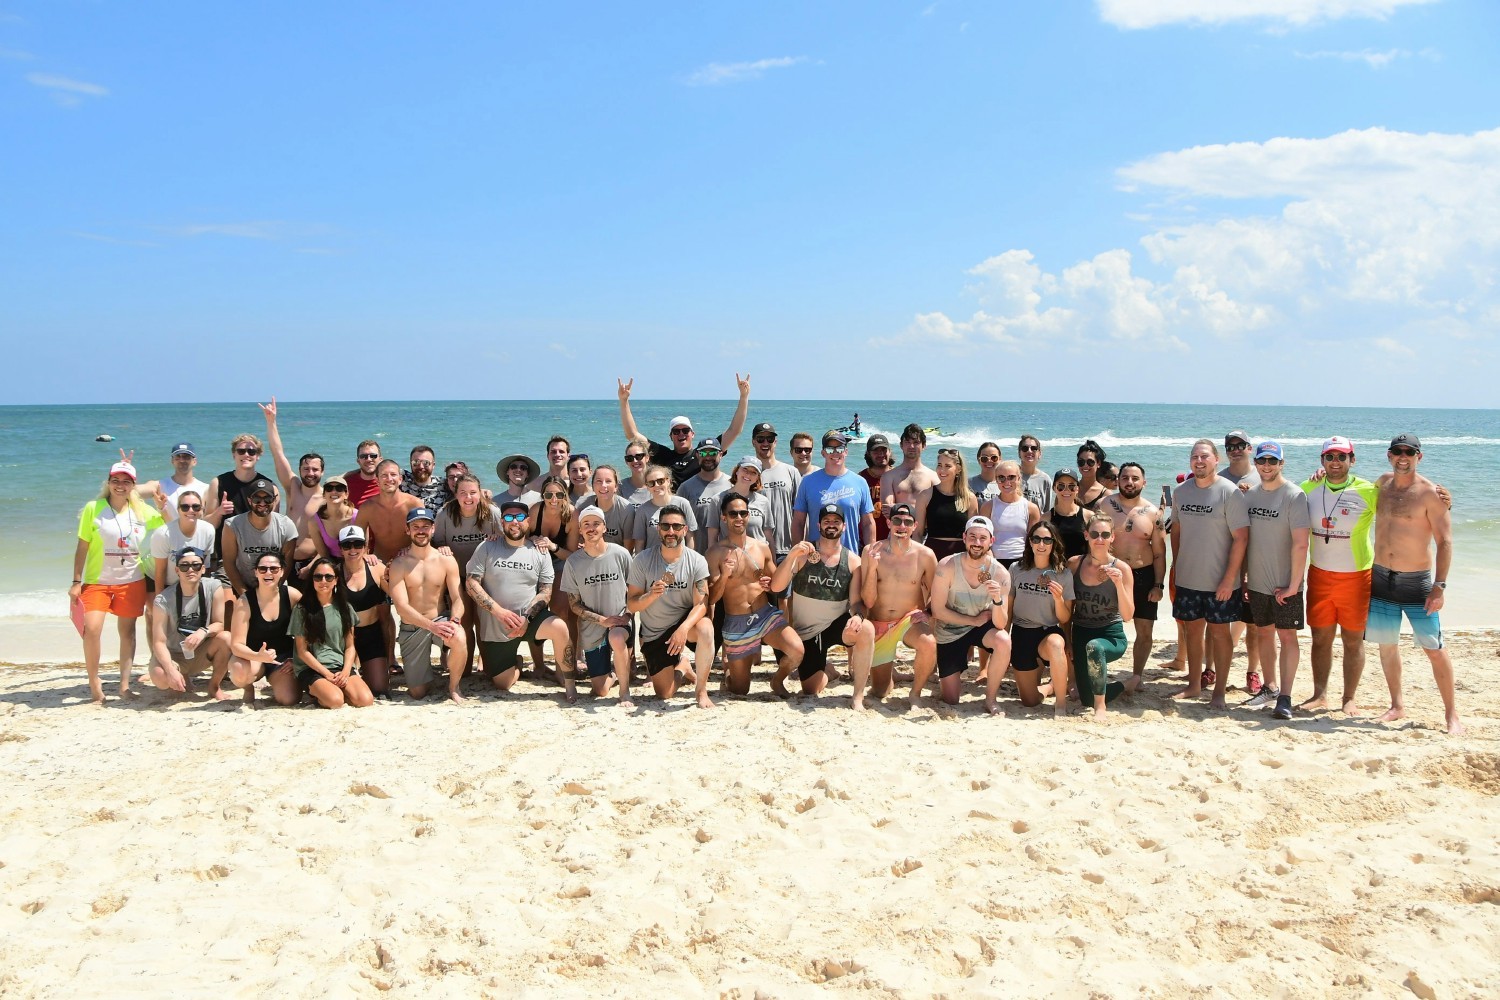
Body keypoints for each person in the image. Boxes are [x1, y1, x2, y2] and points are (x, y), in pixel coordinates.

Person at [1369, 435, 1462, 734]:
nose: (1403, 456)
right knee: (1387, 645)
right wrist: (1320, 474)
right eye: (1397, 451)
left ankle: (1452, 715)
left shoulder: (1430, 493)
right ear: (1389, 455)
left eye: (1409, 452)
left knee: (1434, 648)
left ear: (1419, 456)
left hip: (1417, 582)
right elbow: (1346, 488)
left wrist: (1440, 586)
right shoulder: (1381, 484)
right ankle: (1396, 705)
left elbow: (1445, 542)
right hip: (1381, 577)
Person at [1297, 435, 1379, 714]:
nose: (1335, 462)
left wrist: (1443, 501)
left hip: (1356, 577)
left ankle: (1349, 698)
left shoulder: (1369, 491)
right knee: (1320, 638)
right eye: (1329, 457)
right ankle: (1320, 694)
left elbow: (1405, 509)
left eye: (1341, 457)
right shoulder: (1308, 488)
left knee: (1353, 640)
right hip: (1319, 574)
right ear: (1322, 461)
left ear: (1351, 460)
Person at [467, 499, 575, 700]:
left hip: (529, 620)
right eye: (508, 517)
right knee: (503, 684)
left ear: (528, 521)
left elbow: (545, 592)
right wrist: (498, 612)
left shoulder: (539, 551)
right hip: (497, 627)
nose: (514, 522)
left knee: (560, 627)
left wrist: (527, 619)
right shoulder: (487, 547)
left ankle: (568, 683)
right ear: (502, 522)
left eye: (519, 517)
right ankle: (516, 662)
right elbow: (471, 584)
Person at [1169, 439, 1249, 710]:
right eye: (1195, 457)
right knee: (1192, 632)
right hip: (1188, 577)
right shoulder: (1181, 492)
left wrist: (1230, 578)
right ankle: (1193, 684)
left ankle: (1219, 693)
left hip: (1221, 582)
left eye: (1205, 456)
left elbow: (1241, 538)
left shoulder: (1230, 492)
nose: (1199, 461)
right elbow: (1176, 532)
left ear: (1217, 460)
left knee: (1220, 634)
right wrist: (1175, 567)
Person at [770, 504, 875, 705]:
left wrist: (858, 617)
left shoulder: (853, 561)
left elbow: (856, 603)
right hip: (806, 632)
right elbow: (776, 587)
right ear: (818, 524)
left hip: (835, 625)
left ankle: (858, 696)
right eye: (827, 521)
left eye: (836, 521)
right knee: (811, 690)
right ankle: (829, 670)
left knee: (866, 629)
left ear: (844, 526)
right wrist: (791, 555)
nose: (831, 525)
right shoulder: (803, 554)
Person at [707, 492, 804, 696]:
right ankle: (728, 675)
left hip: (764, 615)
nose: (739, 518)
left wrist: (772, 582)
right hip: (737, 622)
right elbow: (713, 598)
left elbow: (777, 584)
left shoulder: (761, 547)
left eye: (743, 513)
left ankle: (777, 681)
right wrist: (724, 576)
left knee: (797, 651)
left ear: (749, 515)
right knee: (740, 689)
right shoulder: (715, 552)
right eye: (733, 513)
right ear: (724, 517)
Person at [1240, 442, 1311, 721]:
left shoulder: (1294, 495)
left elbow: (1301, 545)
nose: (1266, 465)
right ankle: (1269, 687)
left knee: (1287, 636)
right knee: (1263, 632)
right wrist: (1244, 576)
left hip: (1287, 583)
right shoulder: (1250, 496)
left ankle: (1285, 697)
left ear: (1282, 463)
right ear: (1255, 464)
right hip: (1257, 581)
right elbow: (1244, 541)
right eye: (1262, 461)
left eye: (1272, 460)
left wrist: (1294, 585)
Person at [626, 506, 715, 707]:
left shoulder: (696, 560)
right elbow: (632, 603)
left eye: (676, 526)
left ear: (685, 530)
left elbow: (702, 604)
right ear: (658, 529)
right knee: (664, 694)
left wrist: (682, 629)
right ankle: (682, 667)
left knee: (706, 628)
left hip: (684, 623)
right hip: (655, 633)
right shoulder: (642, 560)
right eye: (666, 526)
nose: (671, 531)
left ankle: (701, 691)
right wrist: (651, 595)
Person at [859, 502, 938, 708]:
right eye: (897, 520)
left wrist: (928, 612)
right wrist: (872, 568)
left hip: (907, 620)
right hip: (879, 622)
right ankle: (892, 676)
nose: (902, 526)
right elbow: (867, 601)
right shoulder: (871, 551)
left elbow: (936, 593)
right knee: (879, 691)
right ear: (888, 522)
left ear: (915, 526)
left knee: (929, 643)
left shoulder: (925, 555)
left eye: (907, 522)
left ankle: (915, 693)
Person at [1097, 462, 1167, 691]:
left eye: (1135, 478)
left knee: (1144, 629)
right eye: (1125, 477)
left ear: (1144, 483)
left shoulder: (1153, 513)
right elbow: (1093, 541)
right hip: (1110, 573)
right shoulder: (1105, 505)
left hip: (1143, 574)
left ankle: (1137, 675)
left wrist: (1158, 584)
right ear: (1118, 480)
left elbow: (1159, 553)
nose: (1129, 482)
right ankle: (1098, 672)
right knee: (1103, 626)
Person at [927, 516, 1011, 707]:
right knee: (951, 699)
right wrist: (973, 621)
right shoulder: (947, 565)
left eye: (983, 538)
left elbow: (1000, 624)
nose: (977, 543)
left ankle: (990, 699)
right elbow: (938, 610)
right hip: (950, 630)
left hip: (980, 627)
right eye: (972, 537)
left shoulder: (1000, 574)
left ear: (992, 541)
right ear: (964, 538)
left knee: (1003, 640)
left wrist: (997, 600)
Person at [386, 508, 468, 703]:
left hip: (440, 618)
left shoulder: (447, 560)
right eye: (415, 527)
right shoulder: (399, 564)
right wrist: (431, 626)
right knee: (418, 693)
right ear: (407, 530)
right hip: (412, 626)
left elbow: (458, 598)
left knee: (459, 636)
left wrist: (455, 621)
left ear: (433, 529)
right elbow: (401, 606)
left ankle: (454, 687)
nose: (420, 531)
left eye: (425, 526)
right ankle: (426, 674)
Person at [616, 373, 752, 489]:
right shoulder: (663, 455)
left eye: (685, 430)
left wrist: (744, 396)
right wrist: (624, 401)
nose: (681, 434)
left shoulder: (704, 453)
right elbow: (632, 435)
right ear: (671, 436)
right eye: (676, 431)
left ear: (692, 434)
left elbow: (734, 430)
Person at [560, 506, 636, 707]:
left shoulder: (621, 554)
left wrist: (627, 616)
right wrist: (601, 620)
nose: (591, 528)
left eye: (596, 524)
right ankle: (617, 672)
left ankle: (624, 692)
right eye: (586, 524)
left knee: (616, 637)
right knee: (600, 690)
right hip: (592, 627)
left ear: (604, 527)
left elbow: (634, 592)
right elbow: (574, 604)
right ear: (580, 529)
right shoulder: (573, 562)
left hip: (621, 620)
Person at [999, 524, 1073, 716]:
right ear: (1030, 542)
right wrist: (1004, 642)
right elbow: (1008, 607)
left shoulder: (1063, 574)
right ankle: (1051, 686)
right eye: (1037, 539)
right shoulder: (1016, 569)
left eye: (1047, 540)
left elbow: (1065, 617)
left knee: (1056, 644)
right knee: (1029, 701)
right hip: (1022, 632)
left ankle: (1060, 705)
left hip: (1047, 630)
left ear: (1053, 543)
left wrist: (1058, 598)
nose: (1042, 544)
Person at [433, 472, 502, 666]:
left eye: (473, 492)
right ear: (456, 494)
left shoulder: (492, 513)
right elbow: (436, 542)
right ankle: (465, 665)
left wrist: (497, 542)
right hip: (458, 577)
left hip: (486, 578)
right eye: (463, 492)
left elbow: (507, 543)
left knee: (484, 623)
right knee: (465, 621)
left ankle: (486, 662)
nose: (468, 497)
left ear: (480, 493)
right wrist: (441, 548)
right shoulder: (446, 513)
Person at [288, 556, 375, 709]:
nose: (323, 581)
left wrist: (346, 671)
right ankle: (317, 691)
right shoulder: (301, 610)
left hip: (340, 666)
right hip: (313, 668)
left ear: (336, 580)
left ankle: (336, 689)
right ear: (312, 580)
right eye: (318, 577)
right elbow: (302, 652)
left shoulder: (345, 608)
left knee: (365, 700)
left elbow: (350, 646)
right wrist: (326, 674)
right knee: (335, 701)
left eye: (329, 577)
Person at [146, 546, 232, 699]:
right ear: (177, 571)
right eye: (184, 566)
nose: (190, 569)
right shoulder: (163, 599)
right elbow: (158, 642)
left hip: (201, 651)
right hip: (174, 653)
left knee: (226, 637)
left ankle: (214, 687)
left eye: (195, 565)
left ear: (203, 568)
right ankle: (179, 675)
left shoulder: (213, 587)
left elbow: (220, 624)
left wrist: (203, 631)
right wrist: (170, 670)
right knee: (160, 677)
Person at [1069, 521, 1135, 718]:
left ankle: (1101, 708)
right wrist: (1067, 639)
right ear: (1086, 535)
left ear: (1112, 537)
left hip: (1110, 635)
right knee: (1085, 698)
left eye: (1105, 535)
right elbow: (1067, 608)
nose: (1100, 539)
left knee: (1095, 647)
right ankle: (1127, 684)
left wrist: (1118, 584)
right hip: (1081, 632)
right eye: (1095, 534)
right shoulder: (1074, 564)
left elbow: (1128, 615)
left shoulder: (1121, 568)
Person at [226, 551, 301, 707]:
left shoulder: (292, 596)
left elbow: (312, 630)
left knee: (289, 699)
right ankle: (248, 687)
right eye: (263, 569)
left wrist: (297, 660)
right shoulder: (245, 601)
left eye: (273, 569)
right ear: (256, 572)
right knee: (239, 672)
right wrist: (258, 656)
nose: (268, 573)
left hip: (282, 658)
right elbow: (236, 645)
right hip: (252, 657)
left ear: (281, 571)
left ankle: (275, 683)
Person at [1219, 429, 1263, 696]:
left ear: (1250, 448)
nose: (1236, 449)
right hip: (1224, 553)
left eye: (1241, 445)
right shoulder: (1219, 478)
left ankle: (1253, 671)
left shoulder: (1262, 474)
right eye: (1230, 445)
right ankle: (1211, 667)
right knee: (1218, 619)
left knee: (1254, 621)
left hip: (1257, 554)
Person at [791, 430, 875, 554]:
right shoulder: (807, 482)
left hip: (850, 557)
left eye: (840, 449)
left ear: (846, 451)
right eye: (830, 449)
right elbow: (798, 522)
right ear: (823, 453)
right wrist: (797, 554)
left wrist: (870, 552)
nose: (835, 453)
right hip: (815, 557)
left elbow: (868, 523)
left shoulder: (860, 482)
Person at [529, 476, 579, 674]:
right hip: (536, 562)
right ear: (543, 495)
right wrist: (532, 538)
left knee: (561, 611)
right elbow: (521, 539)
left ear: (565, 495)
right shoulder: (535, 510)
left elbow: (573, 555)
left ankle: (566, 664)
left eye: (559, 494)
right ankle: (539, 665)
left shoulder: (572, 514)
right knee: (535, 611)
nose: (554, 499)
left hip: (561, 560)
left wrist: (553, 546)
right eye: (549, 494)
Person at [337, 525, 394, 698]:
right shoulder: (332, 573)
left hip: (371, 635)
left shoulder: (376, 569)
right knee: (344, 688)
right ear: (340, 549)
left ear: (365, 547)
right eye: (347, 545)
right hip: (342, 638)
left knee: (379, 688)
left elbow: (398, 595)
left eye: (358, 544)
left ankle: (370, 670)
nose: (352, 549)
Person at [221, 476, 298, 596]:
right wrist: (244, 594)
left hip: (276, 587)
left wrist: (273, 591)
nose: (262, 503)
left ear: (274, 500)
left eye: (267, 499)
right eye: (257, 499)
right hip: (243, 585)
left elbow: (286, 565)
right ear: (249, 500)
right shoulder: (232, 525)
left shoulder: (286, 525)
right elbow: (229, 563)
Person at [258, 398, 323, 531]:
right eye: (306, 469)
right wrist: (271, 422)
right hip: (287, 551)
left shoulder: (327, 498)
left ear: (322, 471)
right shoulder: (293, 487)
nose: (310, 473)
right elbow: (278, 454)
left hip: (314, 552)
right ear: (299, 470)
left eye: (315, 469)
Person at [749, 422, 802, 565]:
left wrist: (801, 544)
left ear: (775, 442)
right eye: (760, 439)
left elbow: (801, 513)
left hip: (787, 549)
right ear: (753, 442)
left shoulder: (791, 472)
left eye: (770, 439)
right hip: (756, 548)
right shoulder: (748, 475)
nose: (765, 443)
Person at [353, 459, 424, 562]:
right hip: (378, 562)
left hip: (408, 560)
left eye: (393, 474)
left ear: (400, 479)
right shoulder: (367, 507)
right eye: (384, 475)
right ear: (377, 481)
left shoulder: (414, 504)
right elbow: (357, 535)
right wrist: (364, 554)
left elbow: (424, 534)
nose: (389, 479)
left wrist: (411, 549)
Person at [914, 448, 979, 560]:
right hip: (932, 554)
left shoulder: (969, 498)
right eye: (939, 465)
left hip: (961, 556)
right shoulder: (925, 495)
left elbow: (973, 534)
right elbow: (917, 533)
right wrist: (917, 559)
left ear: (958, 469)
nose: (942, 470)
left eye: (947, 466)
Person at [149, 490, 217, 589]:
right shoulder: (163, 534)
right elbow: (160, 571)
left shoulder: (208, 530)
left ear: (202, 509)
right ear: (178, 509)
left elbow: (204, 566)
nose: (191, 510)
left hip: (188, 583)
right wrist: (159, 600)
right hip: (159, 580)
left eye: (196, 507)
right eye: (185, 507)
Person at [205, 433, 272, 534]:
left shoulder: (268, 485)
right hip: (223, 547)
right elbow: (207, 525)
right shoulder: (218, 483)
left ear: (258, 456)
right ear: (234, 455)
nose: (246, 454)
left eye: (251, 451)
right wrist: (219, 511)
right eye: (241, 451)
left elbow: (272, 525)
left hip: (255, 546)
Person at [706, 456, 773, 549]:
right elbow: (712, 538)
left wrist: (772, 560)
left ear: (757, 478)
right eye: (745, 469)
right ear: (737, 471)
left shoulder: (763, 501)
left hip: (758, 557)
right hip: (729, 557)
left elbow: (768, 536)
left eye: (754, 472)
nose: (748, 475)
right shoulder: (717, 500)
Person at [983, 461, 1041, 568]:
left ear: (1019, 478)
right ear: (996, 480)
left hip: (1022, 563)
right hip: (994, 562)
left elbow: (1033, 541)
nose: (1006, 482)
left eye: (1011, 477)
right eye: (1001, 477)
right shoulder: (988, 507)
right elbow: (983, 538)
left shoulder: (1031, 508)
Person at [677, 438, 732, 551]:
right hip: (696, 555)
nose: (708, 457)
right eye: (703, 453)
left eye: (712, 453)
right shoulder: (685, 487)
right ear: (697, 455)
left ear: (721, 454)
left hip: (727, 555)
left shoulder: (732, 485)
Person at [135, 442, 209, 525]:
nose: (182, 460)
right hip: (168, 536)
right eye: (178, 457)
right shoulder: (160, 486)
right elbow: (130, 492)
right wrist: (127, 473)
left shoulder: (206, 489)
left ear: (194, 461)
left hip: (196, 537)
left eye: (186, 457)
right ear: (172, 461)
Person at [630, 465, 697, 554]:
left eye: (660, 481)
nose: (656, 485)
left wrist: (689, 561)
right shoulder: (642, 510)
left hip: (679, 560)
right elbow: (639, 543)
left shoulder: (683, 504)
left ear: (668, 481)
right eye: (651, 483)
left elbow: (690, 537)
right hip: (652, 562)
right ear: (647, 486)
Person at [879, 423, 940, 507]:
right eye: (907, 442)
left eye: (916, 442)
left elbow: (938, 509)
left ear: (924, 446)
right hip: (898, 520)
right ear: (901, 445)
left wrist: (898, 509)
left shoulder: (933, 477)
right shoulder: (889, 477)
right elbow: (887, 509)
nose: (911, 446)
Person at [574, 465, 636, 548]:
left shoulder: (626, 509)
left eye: (608, 481)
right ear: (593, 486)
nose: (603, 485)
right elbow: (578, 539)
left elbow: (628, 548)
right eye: (599, 481)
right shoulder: (582, 506)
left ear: (616, 486)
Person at [302, 475, 357, 563]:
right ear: (324, 495)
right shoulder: (314, 522)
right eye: (329, 488)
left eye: (339, 488)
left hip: (355, 561)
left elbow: (364, 549)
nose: (334, 491)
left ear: (346, 494)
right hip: (331, 563)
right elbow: (324, 555)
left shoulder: (358, 517)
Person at [1047, 468, 1089, 559]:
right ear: (1054, 488)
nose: (1066, 490)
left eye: (1071, 486)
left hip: (1080, 571)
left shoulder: (1088, 516)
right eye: (1061, 486)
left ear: (1077, 489)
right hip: (1055, 571)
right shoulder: (1046, 518)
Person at [859, 434, 893, 542]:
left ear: (889, 451)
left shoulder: (899, 476)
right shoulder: (860, 479)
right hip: (866, 542)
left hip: (893, 541)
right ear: (868, 454)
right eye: (876, 451)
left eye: (883, 450)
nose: (881, 454)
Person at [341, 440, 383, 508]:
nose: (369, 459)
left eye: (373, 456)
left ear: (380, 459)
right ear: (358, 461)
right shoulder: (346, 484)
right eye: (364, 456)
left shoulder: (388, 481)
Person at [1018, 435, 1053, 512]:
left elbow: (1046, 511)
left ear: (1039, 454)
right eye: (1025, 448)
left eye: (1034, 448)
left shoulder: (1045, 480)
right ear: (1019, 453)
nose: (1029, 451)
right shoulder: (1011, 476)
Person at [1076, 440, 1108, 511]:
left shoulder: (1106, 495)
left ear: (1098, 463)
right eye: (1081, 462)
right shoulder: (1069, 489)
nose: (1085, 465)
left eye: (1090, 462)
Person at [969, 441, 1004, 507]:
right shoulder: (969, 484)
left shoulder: (1006, 484)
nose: (989, 461)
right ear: (979, 460)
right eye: (984, 458)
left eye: (994, 458)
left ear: (1000, 459)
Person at [619, 439, 651, 504]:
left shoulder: (658, 484)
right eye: (630, 458)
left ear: (647, 458)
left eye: (638, 456)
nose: (635, 461)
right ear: (626, 462)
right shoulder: (620, 487)